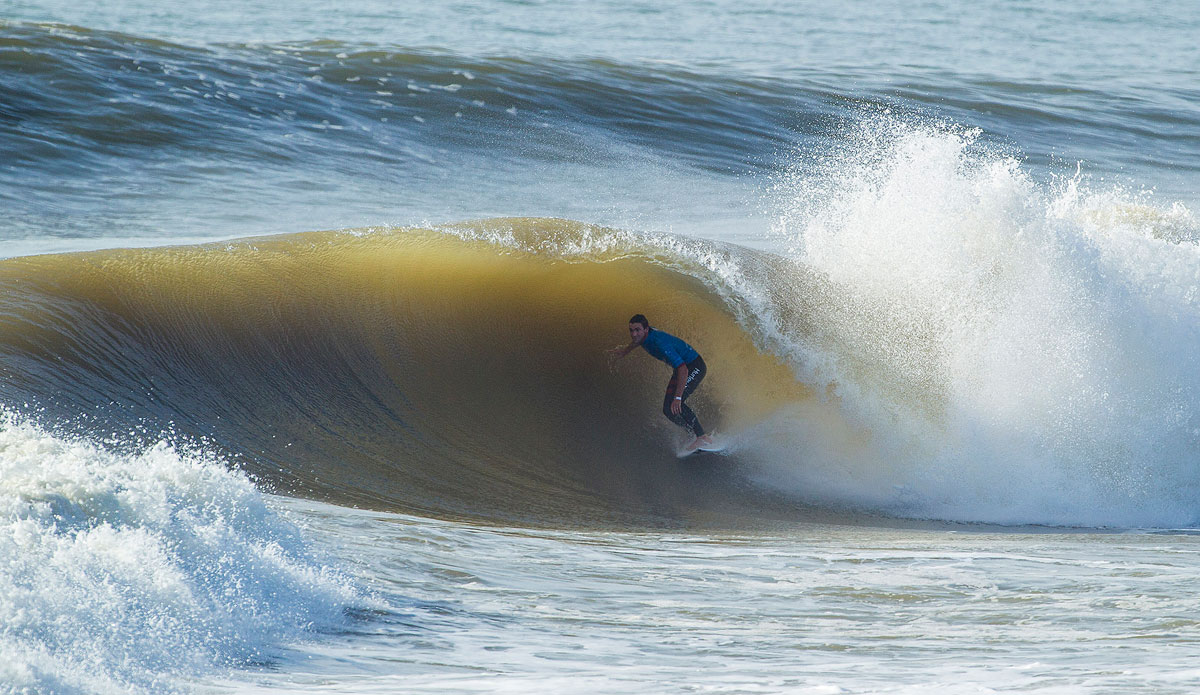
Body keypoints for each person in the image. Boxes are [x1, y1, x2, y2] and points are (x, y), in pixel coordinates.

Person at [609, 314, 714, 453]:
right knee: (668, 410)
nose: (634, 334)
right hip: (681, 369)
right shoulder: (643, 336)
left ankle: (702, 437)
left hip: (693, 367)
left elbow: (682, 369)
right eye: (631, 330)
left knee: (678, 403)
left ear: (646, 329)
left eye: (637, 330)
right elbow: (636, 341)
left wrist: (677, 397)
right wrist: (625, 351)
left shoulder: (659, 343)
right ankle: (693, 433)